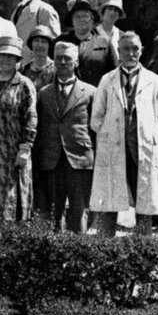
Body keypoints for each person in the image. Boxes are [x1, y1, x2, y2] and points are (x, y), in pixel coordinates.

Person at [88, 31, 158, 232]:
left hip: (143, 148)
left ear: (141, 51)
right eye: (125, 48)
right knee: (110, 200)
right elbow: (95, 119)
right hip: (114, 147)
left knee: (145, 200)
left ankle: (142, 247)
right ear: (118, 51)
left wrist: (145, 130)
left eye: (135, 48)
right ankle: (106, 246)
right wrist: (111, 130)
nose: (130, 53)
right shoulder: (107, 81)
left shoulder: (153, 81)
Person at [0, 36, 39, 232]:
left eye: (11, 57)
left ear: (18, 60)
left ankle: (11, 244)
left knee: (12, 204)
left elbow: (31, 117)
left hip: (13, 152)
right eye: (3, 56)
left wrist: (25, 148)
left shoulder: (24, 84)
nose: (6, 60)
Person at [34, 34, 98, 230]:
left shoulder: (90, 92)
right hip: (51, 158)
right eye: (59, 57)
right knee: (54, 212)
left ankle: (79, 254)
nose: (63, 62)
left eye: (67, 58)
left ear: (76, 61)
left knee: (79, 210)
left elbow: (95, 130)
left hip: (79, 158)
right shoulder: (43, 93)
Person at [70, 0, 116, 87]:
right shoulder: (61, 42)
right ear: (72, 21)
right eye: (77, 16)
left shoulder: (105, 43)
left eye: (85, 16)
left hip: (97, 95)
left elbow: (114, 73)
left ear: (92, 20)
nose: (81, 19)